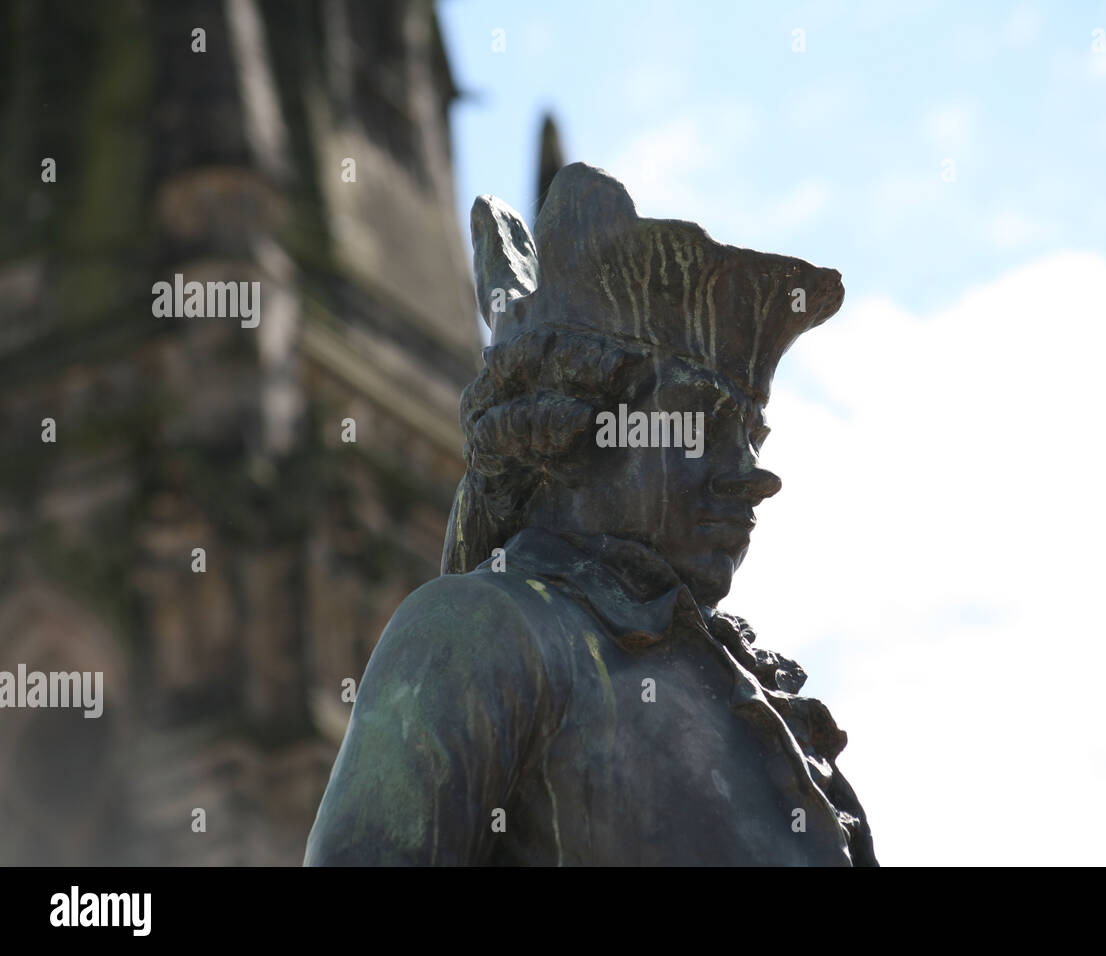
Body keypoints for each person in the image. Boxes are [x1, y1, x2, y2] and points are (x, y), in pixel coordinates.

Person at [304, 163, 878, 866]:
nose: (754, 480)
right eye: (701, 428)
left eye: (752, 441)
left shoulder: (762, 705)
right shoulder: (485, 632)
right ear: (573, 428)